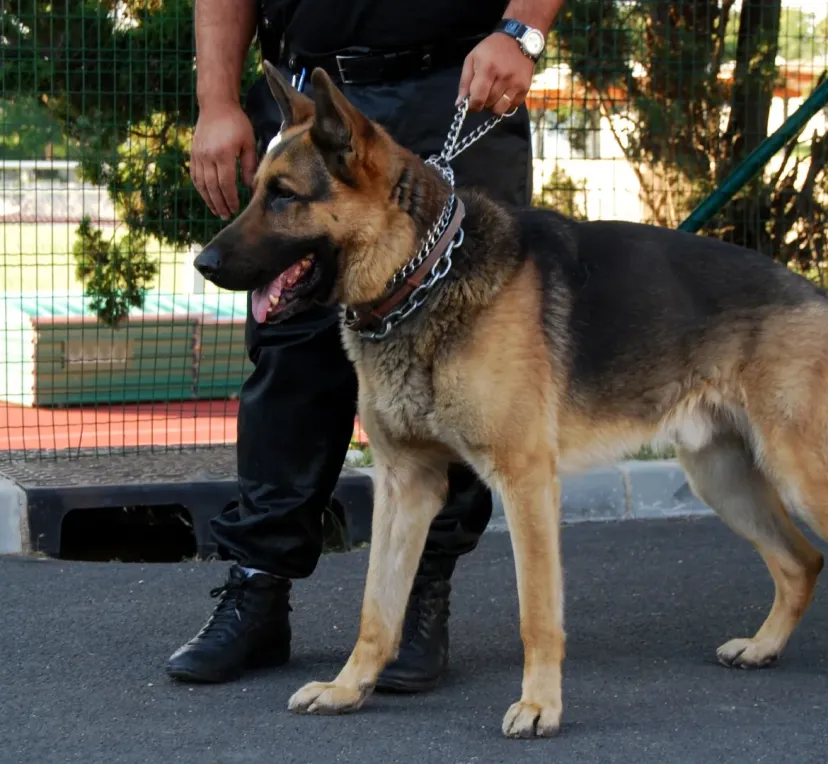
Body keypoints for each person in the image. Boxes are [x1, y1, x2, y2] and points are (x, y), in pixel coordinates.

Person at [166, 0, 566, 691]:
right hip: (304, 100)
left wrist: (521, 30)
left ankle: (420, 598)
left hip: (455, 83)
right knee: (289, 354)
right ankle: (259, 589)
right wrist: (217, 100)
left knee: (470, 363)